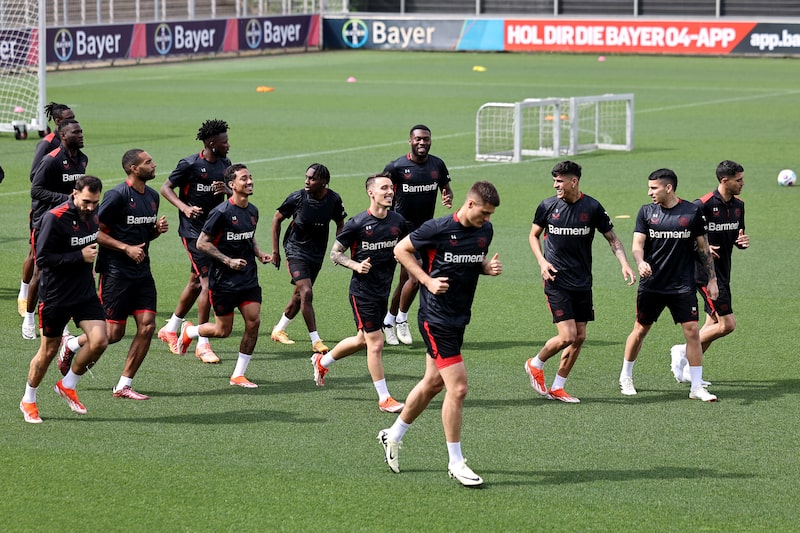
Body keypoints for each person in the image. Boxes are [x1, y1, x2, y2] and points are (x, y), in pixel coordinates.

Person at [377, 181, 502, 488]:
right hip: (436, 318)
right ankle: (456, 462)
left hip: (460, 317)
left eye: (490, 215)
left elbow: (468, 262)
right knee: (458, 389)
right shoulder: (438, 228)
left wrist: (486, 268)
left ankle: (392, 435)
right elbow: (400, 250)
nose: (487, 219)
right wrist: (426, 282)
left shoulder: (485, 231)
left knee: (433, 383)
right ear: (470, 204)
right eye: (484, 213)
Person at [57, 150, 169, 400]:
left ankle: (123, 385)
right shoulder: (117, 196)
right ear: (133, 168)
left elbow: (140, 234)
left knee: (148, 326)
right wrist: (125, 248)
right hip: (116, 273)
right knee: (113, 334)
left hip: (142, 272)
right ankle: (72, 344)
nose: (154, 165)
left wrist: (156, 231)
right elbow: (95, 231)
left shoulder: (151, 197)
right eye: (148, 162)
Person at [525, 161, 636, 403]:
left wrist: (624, 264)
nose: (556, 185)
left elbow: (613, 239)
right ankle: (535, 364)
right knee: (567, 336)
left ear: (573, 181)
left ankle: (558, 386)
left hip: (583, 281)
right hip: (556, 279)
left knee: (580, 336)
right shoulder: (547, 206)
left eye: (560, 181)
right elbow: (533, 236)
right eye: (554, 180)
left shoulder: (592, 207)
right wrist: (542, 263)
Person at [618, 168, 718, 402]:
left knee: (692, 331)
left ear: (668, 188)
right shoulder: (646, 212)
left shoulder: (692, 212)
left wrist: (712, 278)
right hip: (652, 284)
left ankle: (696, 387)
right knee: (641, 329)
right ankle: (626, 376)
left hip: (682, 285)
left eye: (654, 188)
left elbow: (703, 248)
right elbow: (637, 244)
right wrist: (640, 261)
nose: (649, 192)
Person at [310, 173, 408, 412]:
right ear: (371, 192)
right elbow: (335, 254)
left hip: (383, 290)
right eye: (384, 188)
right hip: (362, 292)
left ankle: (322, 361)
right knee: (375, 343)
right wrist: (355, 265)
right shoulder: (357, 223)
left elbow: (407, 246)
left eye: (391, 188)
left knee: (362, 340)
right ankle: (384, 398)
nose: (389, 192)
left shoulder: (398, 221)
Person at [19, 175, 109, 424]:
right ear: (75, 193)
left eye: (95, 202)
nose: (91, 207)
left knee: (101, 340)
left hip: (84, 292)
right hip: (56, 295)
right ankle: (28, 399)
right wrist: (78, 256)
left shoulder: (93, 214)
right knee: (47, 352)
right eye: (87, 201)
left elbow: (90, 244)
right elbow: (43, 260)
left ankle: (67, 385)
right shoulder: (54, 218)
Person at [175, 164, 270, 388]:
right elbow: (201, 243)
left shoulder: (253, 211)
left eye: (251, 177)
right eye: (244, 179)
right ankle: (190, 331)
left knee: (254, 321)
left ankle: (238, 374)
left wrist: (259, 253)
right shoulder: (221, 213)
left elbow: (250, 237)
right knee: (222, 331)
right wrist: (228, 261)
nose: (250, 182)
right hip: (224, 281)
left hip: (248, 278)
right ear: (231, 185)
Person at [157, 119, 231, 364]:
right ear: (211, 144)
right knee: (207, 282)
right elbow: (166, 188)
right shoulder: (189, 164)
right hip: (193, 233)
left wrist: (227, 190)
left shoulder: (224, 163)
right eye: (224, 142)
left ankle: (171, 328)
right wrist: (184, 208)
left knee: (195, 282)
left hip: (212, 232)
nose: (228, 145)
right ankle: (202, 343)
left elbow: (231, 193)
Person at [670, 160, 748, 383]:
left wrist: (741, 241)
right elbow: (683, 237)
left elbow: (736, 235)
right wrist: (699, 246)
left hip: (724, 272)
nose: (743, 183)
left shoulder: (738, 206)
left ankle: (689, 369)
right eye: (738, 180)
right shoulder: (701, 205)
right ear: (725, 181)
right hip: (704, 274)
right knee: (727, 325)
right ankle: (683, 350)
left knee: (712, 323)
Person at [381, 124, 453, 346]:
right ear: (410, 141)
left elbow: (446, 186)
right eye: (418, 139)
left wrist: (447, 195)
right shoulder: (397, 167)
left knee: (406, 279)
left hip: (427, 230)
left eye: (426, 139)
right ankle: (401, 319)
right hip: (403, 231)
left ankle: (389, 320)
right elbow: (381, 191)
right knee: (415, 275)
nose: (422, 143)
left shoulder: (437, 165)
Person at [269, 163, 346, 353]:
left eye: (312, 178)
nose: (307, 181)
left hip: (316, 254)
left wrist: (339, 250)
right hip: (295, 250)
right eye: (307, 177)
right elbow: (276, 218)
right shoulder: (298, 197)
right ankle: (316, 340)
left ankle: (278, 330)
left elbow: (340, 223)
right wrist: (276, 252)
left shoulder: (333, 199)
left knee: (299, 295)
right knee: (307, 292)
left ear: (324, 182)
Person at [24, 119, 88, 340]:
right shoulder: (50, 161)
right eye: (76, 132)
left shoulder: (82, 160)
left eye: (81, 131)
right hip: (45, 222)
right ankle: (29, 317)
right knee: (41, 272)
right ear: (63, 136)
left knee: (69, 271)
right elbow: (36, 190)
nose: (81, 135)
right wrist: (66, 199)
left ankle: (61, 322)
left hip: (71, 222)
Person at [18, 102, 76, 317]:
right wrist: (61, 188)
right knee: (34, 255)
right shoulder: (46, 145)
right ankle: (24, 294)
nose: (73, 121)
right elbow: (35, 177)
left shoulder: (74, 148)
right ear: (58, 122)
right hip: (45, 209)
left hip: (66, 209)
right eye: (69, 118)